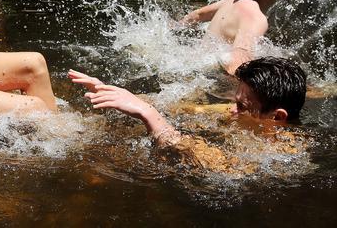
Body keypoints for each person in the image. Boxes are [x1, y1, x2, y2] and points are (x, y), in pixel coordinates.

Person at [69, 56, 307, 172]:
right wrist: (113, 92)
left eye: (242, 107)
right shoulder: (242, 115)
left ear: (276, 117)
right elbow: (183, 108)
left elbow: (218, 168)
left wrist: (147, 113)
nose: (232, 110)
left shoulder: (285, 154)